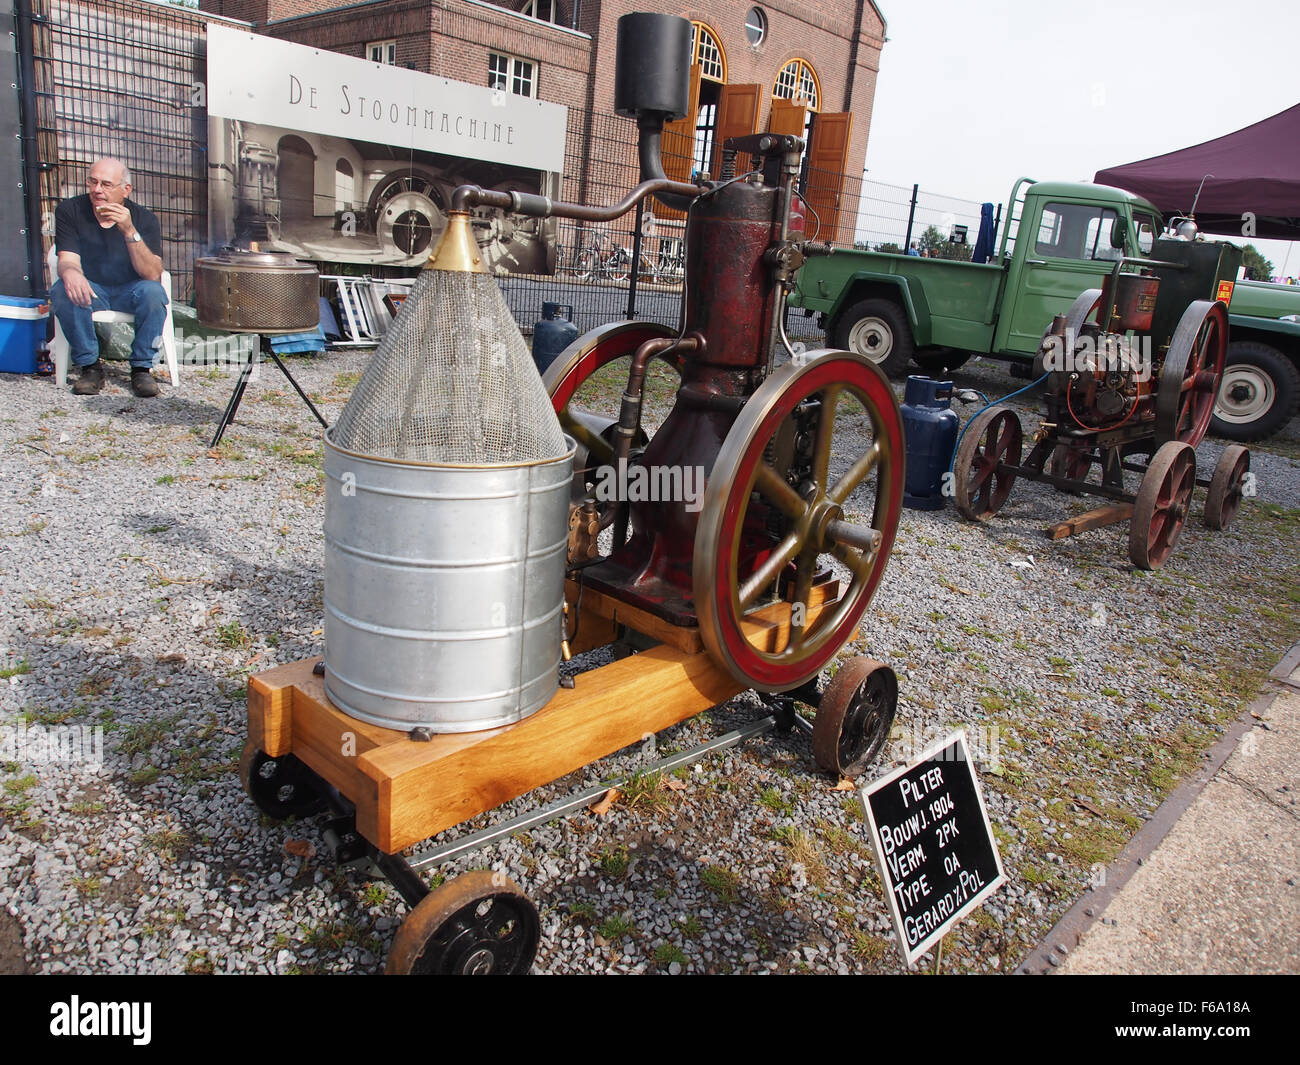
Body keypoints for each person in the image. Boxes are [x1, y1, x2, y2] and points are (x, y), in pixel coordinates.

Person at [50, 158, 167, 397]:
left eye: (106, 184)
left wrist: (129, 231)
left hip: (131, 289)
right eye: (92, 182)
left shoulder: (144, 218)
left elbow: (153, 274)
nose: (97, 190)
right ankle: (90, 367)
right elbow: (68, 259)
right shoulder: (70, 211)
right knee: (62, 289)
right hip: (92, 288)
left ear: (126, 189)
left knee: (154, 293)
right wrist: (71, 273)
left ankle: (142, 368)